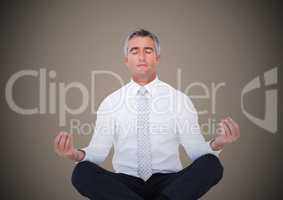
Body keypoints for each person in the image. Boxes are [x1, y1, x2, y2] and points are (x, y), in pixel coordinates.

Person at [54, 29, 240, 200]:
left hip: (170, 184)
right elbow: (97, 153)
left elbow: (196, 152)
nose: (141, 57)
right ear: (126, 59)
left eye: (148, 51)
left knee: (211, 165)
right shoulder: (110, 102)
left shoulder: (179, 100)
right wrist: (73, 154)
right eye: (134, 51)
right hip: (125, 185)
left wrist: (218, 143)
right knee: (82, 172)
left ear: (157, 57)